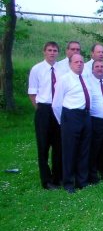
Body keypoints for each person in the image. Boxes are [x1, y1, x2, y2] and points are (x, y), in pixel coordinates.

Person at [52, 53, 92, 193]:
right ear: (70, 64)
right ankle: (68, 183)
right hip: (71, 116)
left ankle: (82, 181)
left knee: (84, 149)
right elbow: (56, 104)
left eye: (81, 62)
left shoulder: (85, 78)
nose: (79, 64)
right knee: (69, 151)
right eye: (76, 62)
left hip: (85, 115)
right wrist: (64, 122)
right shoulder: (64, 80)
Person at [28, 41, 65, 189]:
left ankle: (57, 177)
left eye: (55, 50)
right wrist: (40, 110)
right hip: (43, 108)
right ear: (44, 51)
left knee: (58, 145)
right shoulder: (37, 69)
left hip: (58, 108)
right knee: (43, 146)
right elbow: (32, 93)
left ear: (58, 53)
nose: (52, 53)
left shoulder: (62, 69)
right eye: (49, 50)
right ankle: (46, 180)